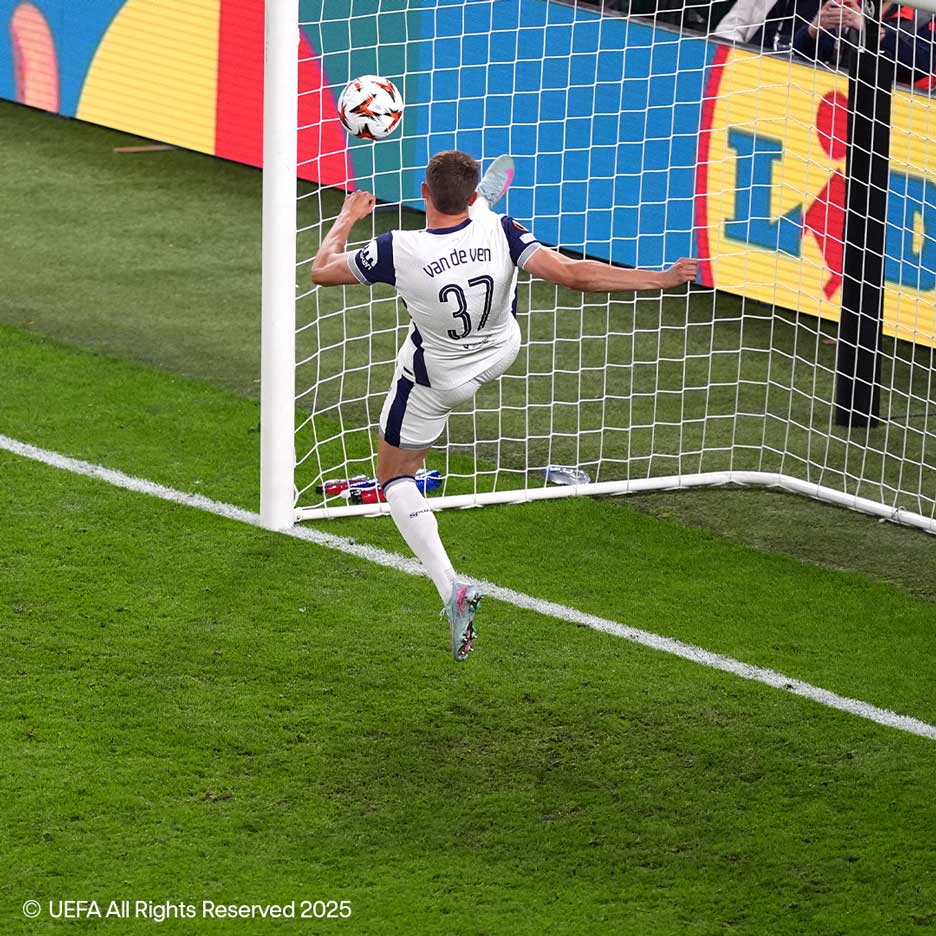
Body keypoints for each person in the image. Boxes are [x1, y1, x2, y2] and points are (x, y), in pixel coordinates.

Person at [311, 151, 697, 662]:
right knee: (488, 256)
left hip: (439, 381)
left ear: (423, 193)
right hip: (501, 351)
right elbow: (574, 274)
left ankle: (451, 589)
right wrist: (661, 279)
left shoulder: (396, 248)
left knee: (395, 477)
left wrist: (348, 217)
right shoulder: (504, 229)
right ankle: (478, 211)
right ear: (471, 195)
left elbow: (322, 271)